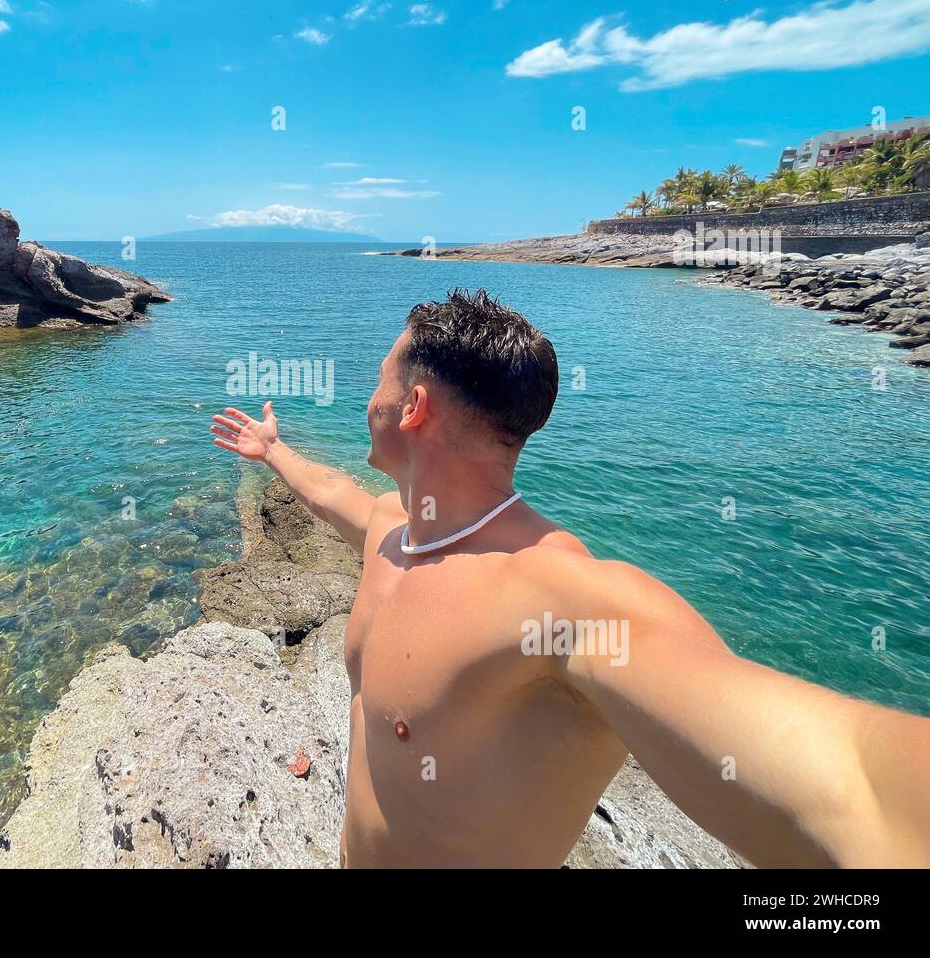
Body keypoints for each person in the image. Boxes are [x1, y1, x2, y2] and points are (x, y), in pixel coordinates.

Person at [209, 288, 930, 868]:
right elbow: (335, 494)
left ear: (414, 406)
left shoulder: (568, 604)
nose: (368, 400)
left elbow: (858, 782)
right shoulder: (393, 533)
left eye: (378, 381)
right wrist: (274, 453)